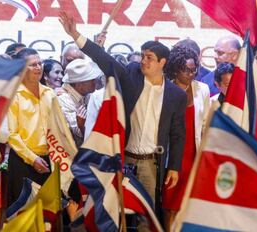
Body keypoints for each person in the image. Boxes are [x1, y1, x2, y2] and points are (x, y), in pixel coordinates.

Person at [59, 12, 187, 217]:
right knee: (116, 214)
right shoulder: (132, 76)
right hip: (124, 159)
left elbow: (178, 134)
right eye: (143, 56)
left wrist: (174, 167)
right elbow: (105, 60)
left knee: (147, 216)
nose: (144, 61)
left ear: (162, 62)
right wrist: (76, 35)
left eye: (150, 58)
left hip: (151, 164)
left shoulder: (176, 95)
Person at [162, 45, 210, 231]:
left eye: (194, 69)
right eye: (186, 70)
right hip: (172, 154)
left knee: (189, 202)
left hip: (193, 153)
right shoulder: (165, 89)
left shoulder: (203, 89)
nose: (191, 74)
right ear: (175, 68)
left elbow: (205, 122)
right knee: (170, 201)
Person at [7, 48, 55, 206]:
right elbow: (11, 134)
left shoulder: (50, 93)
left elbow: (59, 128)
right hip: (23, 161)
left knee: (47, 213)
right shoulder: (14, 95)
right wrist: (32, 158)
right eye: (33, 64)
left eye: (40, 63)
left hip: (50, 160)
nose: (38, 67)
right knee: (22, 212)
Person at [58, 58, 102, 146]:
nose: (95, 81)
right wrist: (81, 125)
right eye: (91, 80)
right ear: (79, 84)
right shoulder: (64, 101)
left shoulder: (88, 95)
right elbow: (77, 133)